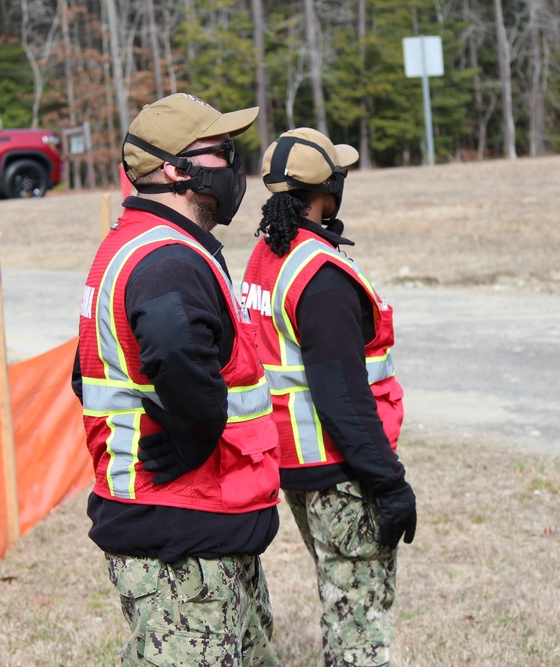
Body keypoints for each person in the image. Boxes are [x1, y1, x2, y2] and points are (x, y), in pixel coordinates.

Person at [71, 93, 282, 666]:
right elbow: (174, 351)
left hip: (195, 522)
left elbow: (84, 372)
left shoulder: (136, 244)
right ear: (176, 169)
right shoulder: (166, 260)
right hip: (184, 529)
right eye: (221, 152)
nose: (235, 166)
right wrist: (196, 433)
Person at [240, 128, 417, 667]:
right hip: (338, 467)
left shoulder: (267, 255)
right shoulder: (320, 276)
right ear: (329, 191)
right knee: (358, 627)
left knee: (340, 595)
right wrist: (388, 482)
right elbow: (341, 394)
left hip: (294, 461)